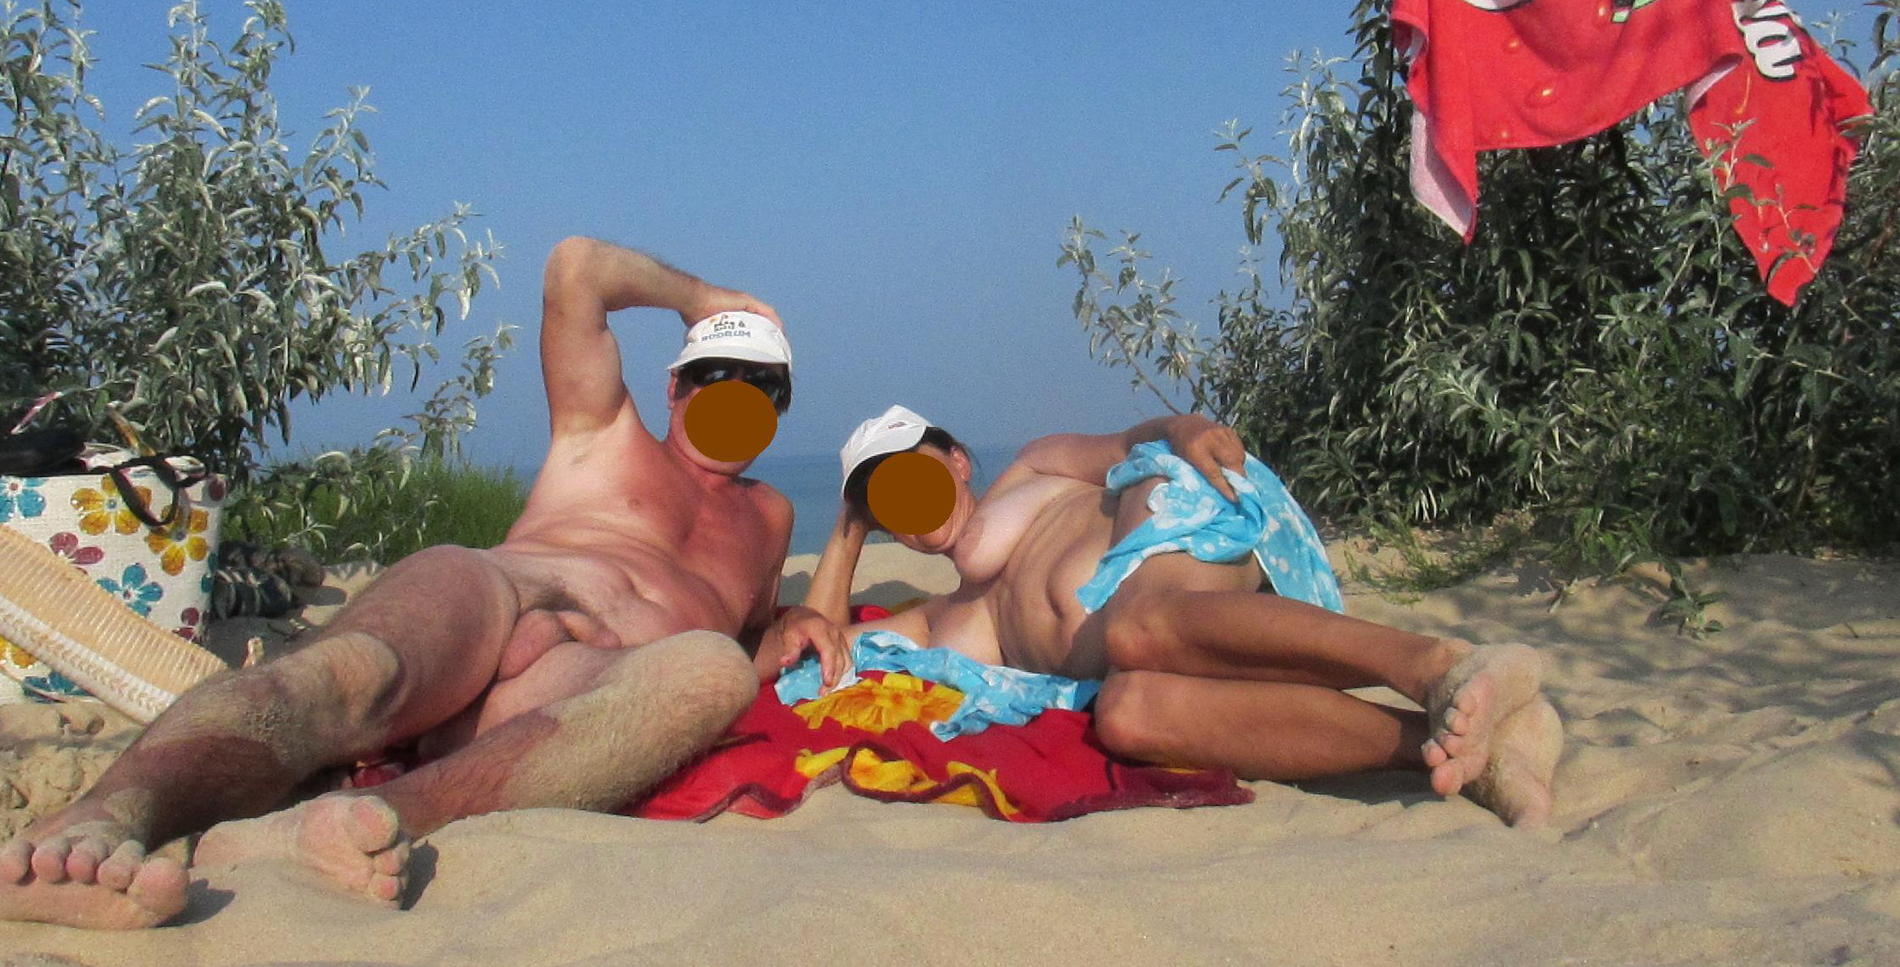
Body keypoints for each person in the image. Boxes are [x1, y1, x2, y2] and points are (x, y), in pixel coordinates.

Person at [0, 238, 799, 929]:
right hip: (498, 594)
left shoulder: (771, 517)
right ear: (674, 385)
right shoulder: (606, 429)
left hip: (586, 674)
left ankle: (362, 820)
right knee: (347, 673)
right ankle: (99, 819)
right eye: (717, 373)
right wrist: (703, 298)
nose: (738, 396)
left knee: (712, 671)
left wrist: (811, 605)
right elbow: (576, 267)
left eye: (762, 386)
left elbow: (751, 630)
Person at [762, 405, 1562, 826]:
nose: (906, 503)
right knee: (1128, 711)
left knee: (1135, 626)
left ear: (958, 460)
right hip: (1161, 643)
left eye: (911, 473)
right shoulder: (936, 622)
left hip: (1160, 517)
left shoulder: (1031, 469)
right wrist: (847, 528)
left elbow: (1127, 442)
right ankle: (1454, 745)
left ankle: (1435, 664)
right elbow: (817, 648)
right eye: (885, 500)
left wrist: (1184, 427)